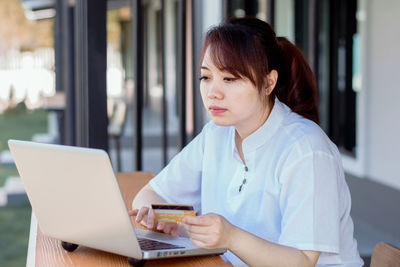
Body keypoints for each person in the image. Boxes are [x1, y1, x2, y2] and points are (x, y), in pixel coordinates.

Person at [130, 17, 363, 266]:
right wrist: (163, 218)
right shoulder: (216, 134)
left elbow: (302, 261)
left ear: (269, 82)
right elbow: (150, 194)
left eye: (229, 79)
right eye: (206, 77)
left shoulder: (306, 151)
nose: (213, 92)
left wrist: (230, 237)